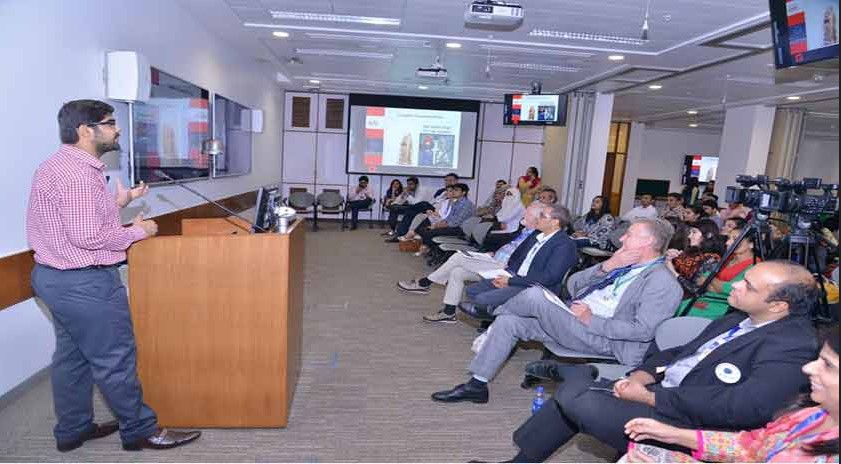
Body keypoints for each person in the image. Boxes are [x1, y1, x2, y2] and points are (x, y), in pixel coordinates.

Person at [482, 261, 819, 463]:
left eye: (748, 285)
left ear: (778, 306)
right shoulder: (737, 318)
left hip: (691, 420)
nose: (734, 284)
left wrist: (653, 398)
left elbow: (745, 406)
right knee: (574, 396)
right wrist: (644, 375)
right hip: (664, 391)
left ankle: (576, 378)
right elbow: (680, 352)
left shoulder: (792, 345)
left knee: (576, 397)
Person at [27, 100, 200, 451]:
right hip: (83, 282)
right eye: (109, 123)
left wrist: (118, 203)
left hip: (54, 277)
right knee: (115, 358)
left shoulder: (60, 165)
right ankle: (140, 429)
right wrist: (139, 232)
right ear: (85, 131)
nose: (116, 129)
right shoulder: (78, 174)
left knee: (72, 358)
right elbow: (87, 237)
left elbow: (76, 223)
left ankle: (73, 429)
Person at [430, 219, 682, 404]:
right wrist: (607, 266)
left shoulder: (662, 282)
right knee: (509, 321)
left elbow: (643, 331)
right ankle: (477, 385)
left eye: (629, 235)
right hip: (574, 320)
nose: (622, 239)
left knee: (534, 294)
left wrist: (592, 320)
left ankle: (490, 309)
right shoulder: (623, 265)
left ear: (648, 242)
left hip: (604, 338)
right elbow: (571, 286)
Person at [624, 324, 839, 463]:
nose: (808, 368)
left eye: (827, 365)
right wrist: (672, 434)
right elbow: (751, 446)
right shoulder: (813, 414)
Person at [396, 204, 542, 323]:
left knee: (458, 258)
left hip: (506, 269)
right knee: (457, 272)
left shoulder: (537, 236)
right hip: (495, 261)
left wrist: (503, 261)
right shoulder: (525, 231)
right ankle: (448, 313)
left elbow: (525, 260)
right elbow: (510, 247)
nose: (523, 216)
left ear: (538, 219)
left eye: (527, 215)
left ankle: (424, 283)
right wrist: (494, 253)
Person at [456, 204, 578, 319]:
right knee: (472, 290)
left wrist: (511, 281)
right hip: (517, 277)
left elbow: (549, 278)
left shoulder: (564, 245)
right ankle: (498, 316)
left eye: (542, 216)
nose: (538, 218)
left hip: (535, 287)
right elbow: (516, 256)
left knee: (483, 299)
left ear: (555, 222)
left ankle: (500, 319)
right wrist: (509, 275)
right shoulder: (537, 235)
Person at [676, 224, 757, 319]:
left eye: (735, 239)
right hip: (707, 297)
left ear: (751, 245)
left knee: (688, 313)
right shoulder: (728, 258)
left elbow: (731, 289)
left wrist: (711, 281)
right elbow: (701, 280)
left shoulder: (754, 265)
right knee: (679, 306)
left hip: (723, 304)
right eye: (728, 238)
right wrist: (717, 286)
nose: (727, 243)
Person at [387, 173, 458, 241]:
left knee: (420, 205)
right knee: (402, 209)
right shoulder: (442, 191)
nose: (448, 182)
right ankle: (400, 233)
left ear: (456, 181)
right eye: (446, 180)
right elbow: (434, 201)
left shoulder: (457, 194)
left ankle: (401, 232)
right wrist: (402, 196)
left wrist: (407, 195)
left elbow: (417, 202)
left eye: (450, 180)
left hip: (434, 209)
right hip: (429, 206)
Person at [665, 220, 724, 294]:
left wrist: (673, 272)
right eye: (690, 232)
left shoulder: (712, 260)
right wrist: (670, 256)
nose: (689, 236)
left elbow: (696, 290)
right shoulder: (693, 252)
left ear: (708, 235)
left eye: (694, 232)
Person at [416, 183, 475, 247]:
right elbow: (449, 217)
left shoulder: (466, 204)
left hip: (461, 229)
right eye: (454, 190)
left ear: (463, 192)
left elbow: (456, 222)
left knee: (430, 232)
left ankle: (429, 250)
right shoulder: (457, 202)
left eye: (456, 190)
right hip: (453, 226)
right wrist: (438, 224)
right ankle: (430, 250)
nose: (454, 192)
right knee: (425, 229)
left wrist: (438, 226)